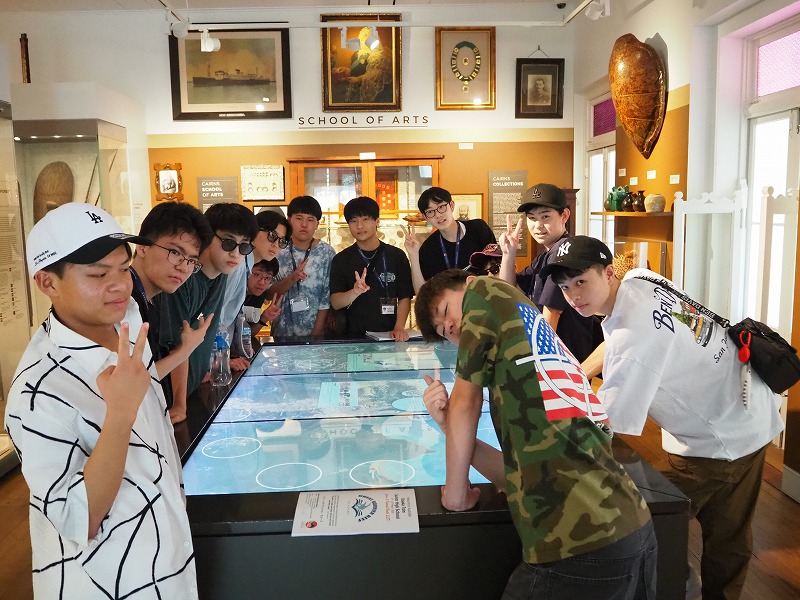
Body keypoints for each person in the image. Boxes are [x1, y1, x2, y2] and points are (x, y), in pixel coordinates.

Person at [542, 235, 786, 600]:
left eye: (581, 281)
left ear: (608, 273)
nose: (574, 296)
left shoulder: (634, 338)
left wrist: (546, 439)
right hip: (750, 407)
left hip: (720, 435)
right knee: (729, 533)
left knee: (640, 522)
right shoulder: (640, 279)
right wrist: (578, 374)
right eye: (565, 287)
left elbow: (605, 422)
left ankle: (679, 585)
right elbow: (623, 342)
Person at [414, 269, 656, 599]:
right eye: (444, 332)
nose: (451, 327)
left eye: (446, 311)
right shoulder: (521, 349)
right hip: (629, 530)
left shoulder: (483, 291)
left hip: (578, 544)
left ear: (468, 284)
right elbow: (515, 475)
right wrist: (445, 424)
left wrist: (455, 495)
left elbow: (466, 401)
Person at [6, 203, 198, 598]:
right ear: (47, 282)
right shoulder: (39, 389)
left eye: (123, 269)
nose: (120, 285)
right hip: (110, 582)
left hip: (167, 555)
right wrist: (120, 414)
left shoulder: (126, 321)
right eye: (98, 274)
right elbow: (79, 518)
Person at [156, 202, 258, 424]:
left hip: (191, 391)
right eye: (228, 242)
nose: (235, 253)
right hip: (166, 403)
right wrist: (179, 404)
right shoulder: (183, 279)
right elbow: (178, 346)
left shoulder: (221, 275)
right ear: (207, 236)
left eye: (244, 247)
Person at [498, 183, 602, 363]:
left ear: (564, 215)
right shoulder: (546, 255)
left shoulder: (562, 254)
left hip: (562, 359)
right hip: (556, 356)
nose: (538, 225)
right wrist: (508, 253)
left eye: (545, 217)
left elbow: (552, 313)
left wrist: (538, 361)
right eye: (532, 218)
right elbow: (509, 290)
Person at [129, 201, 215, 406]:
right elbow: (127, 385)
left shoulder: (151, 299)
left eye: (192, 260)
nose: (184, 268)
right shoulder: (122, 302)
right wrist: (185, 350)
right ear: (143, 246)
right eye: (176, 253)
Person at [329, 196, 414, 340]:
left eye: (365, 219)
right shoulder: (341, 259)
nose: (359, 226)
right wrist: (354, 292)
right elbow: (335, 303)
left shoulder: (396, 256)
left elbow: (405, 296)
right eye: (353, 221)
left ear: (377, 221)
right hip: (353, 338)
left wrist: (399, 327)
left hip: (389, 336)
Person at [219, 208, 289, 370]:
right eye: (272, 235)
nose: (275, 244)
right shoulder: (237, 265)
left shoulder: (247, 264)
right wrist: (221, 361)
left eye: (282, 241)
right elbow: (217, 317)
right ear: (254, 230)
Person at [402, 186, 495, 292]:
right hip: (450, 302)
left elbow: (497, 268)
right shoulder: (429, 248)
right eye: (430, 212)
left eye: (441, 207)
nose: (438, 215)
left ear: (451, 205)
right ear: (425, 217)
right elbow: (422, 293)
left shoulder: (478, 229)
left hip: (484, 298)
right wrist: (413, 256)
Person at [269, 196, 336, 340]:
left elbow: (326, 297)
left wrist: (317, 334)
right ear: (289, 220)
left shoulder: (326, 253)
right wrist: (292, 278)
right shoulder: (277, 250)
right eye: (299, 218)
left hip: (317, 334)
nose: (304, 224)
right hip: (282, 333)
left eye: (310, 220)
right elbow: (268, 294)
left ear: (317, 224)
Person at [242, 258, 282, 349]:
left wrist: (264, 318)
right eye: (257, 275)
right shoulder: (233, 292)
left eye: (267, 278)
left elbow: (248, 334)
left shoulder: (259, 296)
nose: (262, 282)